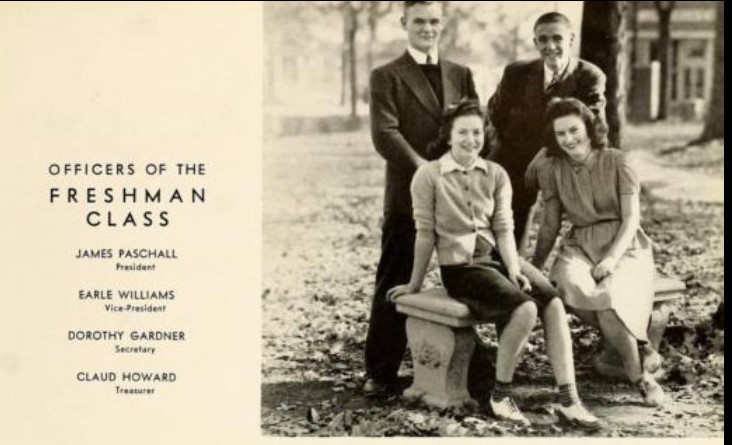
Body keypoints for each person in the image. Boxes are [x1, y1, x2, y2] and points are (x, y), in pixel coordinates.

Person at [388, 99, 600, 428]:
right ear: (448, 135)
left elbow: (503, 228)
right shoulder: (428, 176)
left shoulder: (496, 173)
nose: (471, 140)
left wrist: (515, 269)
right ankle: (500, 394)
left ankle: (569, 400)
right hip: (462, 266)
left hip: (501, 259)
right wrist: (414, 285)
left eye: (476, 132)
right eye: (462, 132)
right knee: (526, 309)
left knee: (553, 303)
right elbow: (426, 235)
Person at [364, 1, 493, 398]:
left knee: (467, 277)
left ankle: (475, 371)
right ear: (404, 23)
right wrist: (428, 174)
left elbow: (476, 129)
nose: (427, 28)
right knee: (397, 278)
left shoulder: (462, 74)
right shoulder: (386, 76)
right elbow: (385, 133)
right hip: (408, 195)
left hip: (460, 200)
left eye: (434, 21)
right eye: (419, 21)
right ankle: (381, 372)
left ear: (443, 24)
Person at [531, 98, 666, 407]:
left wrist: (611, 259)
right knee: (568, 285)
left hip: (624, 245)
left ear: (590, 129)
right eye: (560, 133)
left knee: (607, 299)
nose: (568, 139)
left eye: (574, 130)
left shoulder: (619, 161)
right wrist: (535, 265)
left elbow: (632, 219)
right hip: (579, 244)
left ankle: (639, 379)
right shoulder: (552, 168)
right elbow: (550, 224)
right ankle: (641, 345)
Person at [486, 12, 606, 251]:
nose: (550, 46)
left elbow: (591, 126)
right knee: (507, 213)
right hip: (518, 158)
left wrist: (547, 153)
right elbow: (496, 114)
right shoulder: (516, 73)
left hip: (569, 157)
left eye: (557, 38)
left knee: (587, 214)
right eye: (543, 40)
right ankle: (509, 268)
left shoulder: (589, 75)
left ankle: (579, 264)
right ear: (535, 43)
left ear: (571, 40)